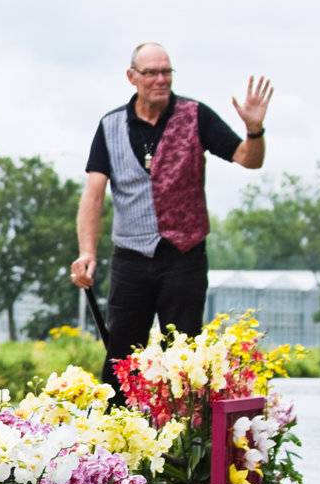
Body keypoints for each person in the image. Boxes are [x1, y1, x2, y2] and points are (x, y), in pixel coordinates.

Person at [70, 42, 272, 386]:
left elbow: (249, 159)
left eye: (167, 72)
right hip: (130, 258)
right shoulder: (110, 125)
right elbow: (93, 195)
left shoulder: (195, 115)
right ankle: (116, 434)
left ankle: (184, 433)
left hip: (184, 256)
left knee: (184, 356)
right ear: (132, 77)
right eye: (152, 73)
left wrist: (255, 130)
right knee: (122, 355)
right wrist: (87, 251)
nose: (161, 80)